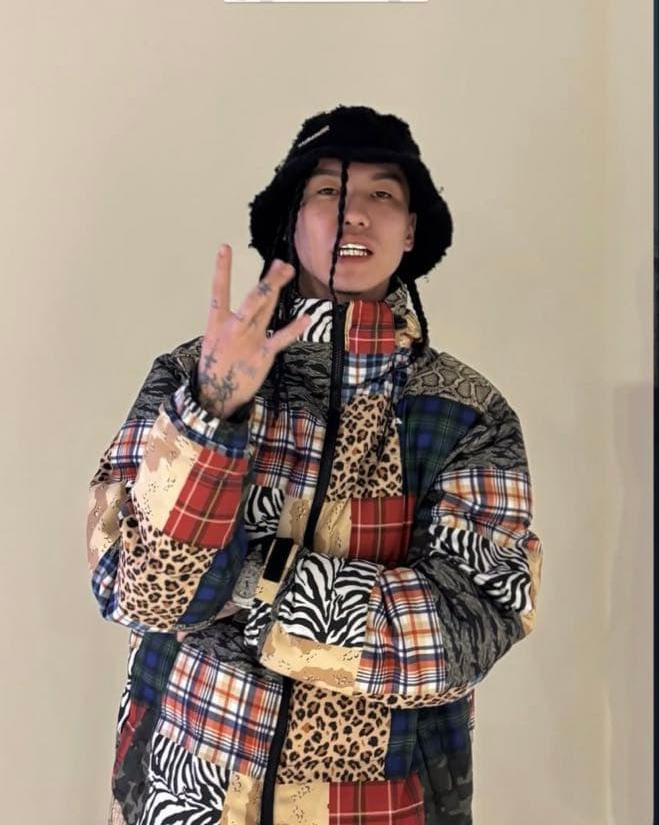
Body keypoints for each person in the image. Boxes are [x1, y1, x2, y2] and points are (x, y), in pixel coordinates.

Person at [87, 105, 542, 825]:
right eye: (328, 189)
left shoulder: (466, 411)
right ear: (291, 221)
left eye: (382, 193)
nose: (354, 212)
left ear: (410, 230)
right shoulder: (190, 375)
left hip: (382, 803)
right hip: (183, 792)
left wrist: (258, 583)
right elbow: (138, 593)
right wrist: (211, 413)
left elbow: (470, 627)